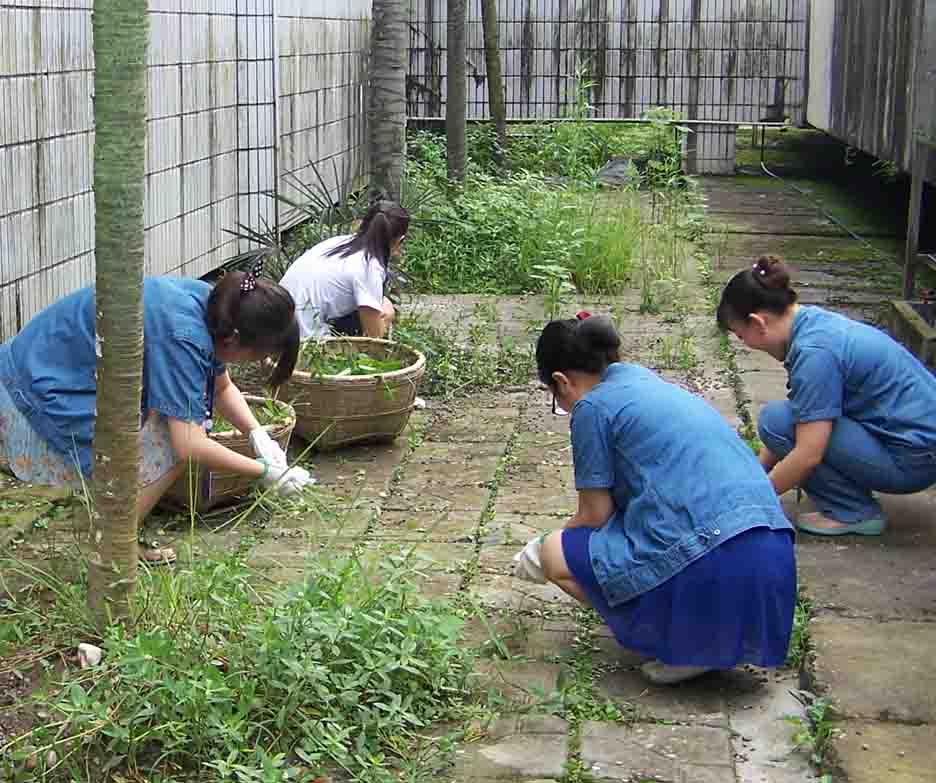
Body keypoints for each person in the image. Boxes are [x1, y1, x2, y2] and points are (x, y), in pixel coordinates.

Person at [533, 313, 796, 685]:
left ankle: (683, 645)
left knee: (552, 554)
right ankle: (705, 637)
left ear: (561, 381)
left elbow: (595, 516)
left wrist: (540, 548)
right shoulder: (649, 384)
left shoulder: (592, 408)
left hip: (717, 558)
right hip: (774, 559)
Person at [0, 263, 314, 564]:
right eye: (258, 355)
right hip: (32, 391)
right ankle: (113, 546)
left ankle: (115, 532)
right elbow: (189, 444)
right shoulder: (185, 335)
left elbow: (221, 388)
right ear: (234, 339)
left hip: (47, 369)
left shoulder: (218, 306)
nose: (256, 362)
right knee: (170, 438)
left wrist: (256, 433)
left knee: (176, 420)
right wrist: (264, 472)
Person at [717, 255, 936, 536]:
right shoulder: (811, 323)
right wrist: (756, 474)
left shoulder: (814, 354)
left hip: (914, 460)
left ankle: (853, 511)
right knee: (782, 421)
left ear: (759, 323)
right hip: (921, 446)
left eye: (740, 335)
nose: (744, 343)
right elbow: (801, 414)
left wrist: (750, 502)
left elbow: (808, 453)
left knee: (778, 422)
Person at [280, 201, 408, 340]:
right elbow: (374, 337)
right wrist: (388, 317)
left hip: (277, 315)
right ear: (399, 240)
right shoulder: (369, 267)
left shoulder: (339, 242)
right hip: (302, 337)